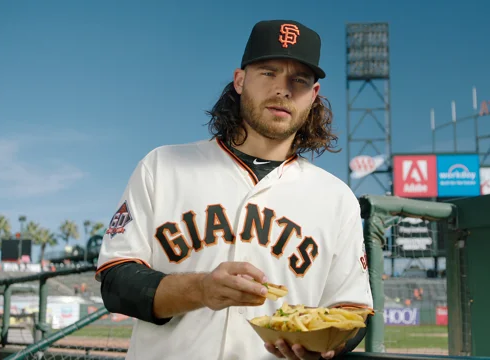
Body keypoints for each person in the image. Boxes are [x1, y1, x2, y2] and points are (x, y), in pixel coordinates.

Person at [96, 19, 374, 360]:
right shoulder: (163, 166)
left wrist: (329, 345)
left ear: (313, 96)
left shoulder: (336, 198)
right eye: (268, 73)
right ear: (240, 81)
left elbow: (353, 310)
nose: (283, 90)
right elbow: (116, 284)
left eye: (299, 80)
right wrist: (201, 289)